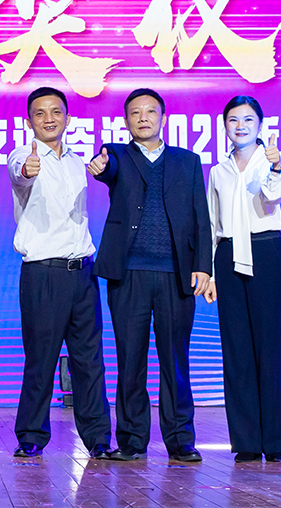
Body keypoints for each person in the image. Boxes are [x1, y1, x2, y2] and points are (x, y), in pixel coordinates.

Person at [87, 87, 212, 463]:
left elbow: (201, 217)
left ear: (163, 117)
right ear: (126, 120)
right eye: (135, 112)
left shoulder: (187, 161)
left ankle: (180, 438)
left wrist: (203, 265)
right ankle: (131, 439)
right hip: (128, 274)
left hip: (176, 275)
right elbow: (105, 169)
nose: (143, 118)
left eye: (150, 111)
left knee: (176, 360)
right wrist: (101, 167)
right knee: (131, 359)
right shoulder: (116, 155)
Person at [8, 87, 112, 460]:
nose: (49, 119)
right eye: (40, 113)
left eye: (56, 112)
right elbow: (20, 174)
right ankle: (31, 435)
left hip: (83, 273)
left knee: (89, 360)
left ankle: (98, 438)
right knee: (41, 358)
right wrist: (27, 170)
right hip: (44, 273)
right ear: (29, 121)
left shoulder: (77, 162)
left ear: (68, 118)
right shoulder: (22, 155)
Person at [206, 95, 281, 463]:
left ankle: (272, 440)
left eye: (248, 120)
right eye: (233, 120)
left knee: (268, 346)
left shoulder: (273, 159)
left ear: (260, 125)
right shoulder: (218, 170)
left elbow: (273, 195)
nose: (240, 126)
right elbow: (212, 223)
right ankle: (246, 441)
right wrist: (210, 273)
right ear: (225, 125)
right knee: (236, 349)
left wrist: (274, 166)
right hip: (228, 255)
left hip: (265, 251)